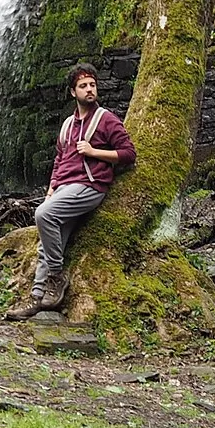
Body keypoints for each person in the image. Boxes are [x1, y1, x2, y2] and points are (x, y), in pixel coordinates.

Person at [28, 63, 135, 311]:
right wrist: (52, 187)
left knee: (43, 214)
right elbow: (59, 159)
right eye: (83, 86)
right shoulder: (67, 125)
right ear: (72, 92)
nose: (89, 90)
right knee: (48, 240)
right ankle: (37, 299)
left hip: (90, 185)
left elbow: (129, 154)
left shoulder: (106, 119)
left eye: (92, 85)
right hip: (64, 187)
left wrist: (94, 151)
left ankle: (57, 277)